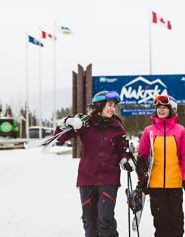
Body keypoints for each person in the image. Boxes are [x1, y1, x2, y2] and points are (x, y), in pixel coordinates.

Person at [55, 91, 134, 237]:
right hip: (87, 179)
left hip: (109, 179)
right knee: (89, 221)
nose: (112, 109)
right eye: (109, 105)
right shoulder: (85, 124)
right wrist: (68, 122)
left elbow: (122, 150)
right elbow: (60, 138)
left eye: (114, 106)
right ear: (99, 106)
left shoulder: (117, 127)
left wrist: (124, 160)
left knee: (105, 219)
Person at [136, 95, 185, 237]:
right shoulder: (148, 131)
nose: (161, 110)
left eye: (164, 107)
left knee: (177, 223)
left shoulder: (180, 131)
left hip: (175, 184)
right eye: (158, 107)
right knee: (161, 224)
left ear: (171, 109)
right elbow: (142, 157)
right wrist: (142, 178)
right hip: (155, 185)